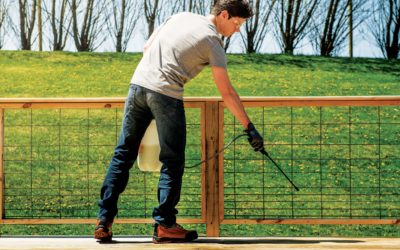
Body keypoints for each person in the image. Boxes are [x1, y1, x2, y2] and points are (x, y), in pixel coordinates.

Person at [94, 0, 264, 244]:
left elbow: (146, 46)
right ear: (224, 15)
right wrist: (250, 128)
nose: (237, 30)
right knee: (172, 161)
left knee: (123, 154)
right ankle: (165, 225)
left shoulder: (181, 16)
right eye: (237, 24)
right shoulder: (213, 42)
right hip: (166, 95)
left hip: (138, 86)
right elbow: (227, 92)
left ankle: (104, 221)